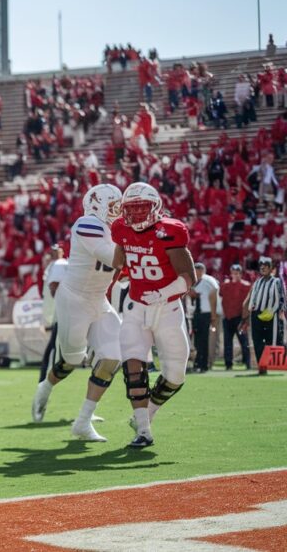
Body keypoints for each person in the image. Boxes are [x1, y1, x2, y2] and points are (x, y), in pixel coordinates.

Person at [32, 185, 124, 442]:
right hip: (74, 300)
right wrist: (137, 241)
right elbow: (113, 257)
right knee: (72, 360)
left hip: (99, 300)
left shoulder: (115, 229)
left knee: (113, 357)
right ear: (98, 206)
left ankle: (82, 422)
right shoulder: (87, 224)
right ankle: (46, 386)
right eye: (115, 206)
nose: (119, 212)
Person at [112, 182, 196, 449]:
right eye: (131, 209)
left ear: (155, 207)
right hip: (136, 308)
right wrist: (123, 273)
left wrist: (163, 292)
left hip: (168, 309)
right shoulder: (121, 229)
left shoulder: (170, 232)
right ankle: (144, 432)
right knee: (133, 367)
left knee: (175, 376)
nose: (136, 215)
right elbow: (119, 263)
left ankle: (146, 415)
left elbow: (189, 278)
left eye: (141, 208)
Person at [241, 256, 286, 373]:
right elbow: (253, 297)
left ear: (271, 268)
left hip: (271, 315)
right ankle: (262, 366)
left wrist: (275, 311)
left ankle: (280, 363)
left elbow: (281, 299)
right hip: (256, 315)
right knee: (257, 341)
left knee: (275, 340)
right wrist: (249, 312)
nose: (263, 268)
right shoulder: (257, 282)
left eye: (266, 266)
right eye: (261, 266)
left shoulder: (276, 281)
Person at [38, 245, 67, 383]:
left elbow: (52, 290)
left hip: (60, 312)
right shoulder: (54, 266)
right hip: (59, 313)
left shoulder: (58, 265)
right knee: (54, 347)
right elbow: (50, 292)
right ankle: (45, 378)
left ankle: (45, 377)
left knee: (55, 348)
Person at [188, 263, 220, 373]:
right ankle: (198, 363)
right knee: (197, 341)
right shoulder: (193, 280)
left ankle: (204, 365)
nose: (196, 273)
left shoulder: (208, 281)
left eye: (198, 271)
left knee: (204, 340)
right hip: (196, 314)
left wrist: (213, 316)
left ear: (202, 271)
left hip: (206, 314)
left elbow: (213, 297)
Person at [220, 264, 252, 370]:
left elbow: (248, 304)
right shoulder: (225, 285)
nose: (235, 275)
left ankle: (248, 363)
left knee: (244, 342)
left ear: (241, 274)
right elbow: (222, 298)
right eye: (233, 273)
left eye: (237, 273)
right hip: (227, 318)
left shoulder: (246, 285)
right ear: (231, 273)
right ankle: (228, 364)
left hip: (240, 318)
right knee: (227, 342)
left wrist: (246, 318)